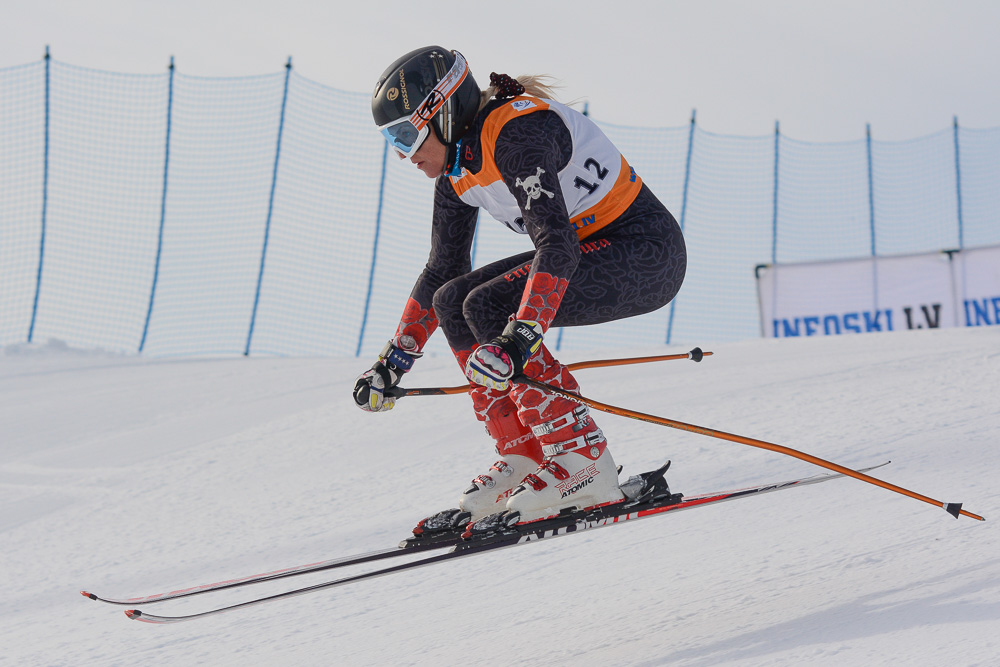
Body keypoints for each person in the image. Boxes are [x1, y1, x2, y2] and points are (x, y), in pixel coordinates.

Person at [354, 46, 686, 525]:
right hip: (590, 253)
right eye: (392, 142)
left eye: (405, 135)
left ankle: (583, 460)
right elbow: (441, 270)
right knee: (454, 302)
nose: (404, 155)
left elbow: (557, 246)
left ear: (441, 111)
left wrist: (520, 337)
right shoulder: (457, 170)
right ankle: (528, 454)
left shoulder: (516, 135)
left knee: (489, 306)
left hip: (647, 255)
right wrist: (394, 360)